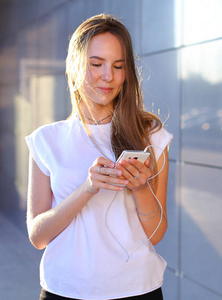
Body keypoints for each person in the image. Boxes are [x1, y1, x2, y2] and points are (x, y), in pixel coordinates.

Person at [25, 14, 172, 300]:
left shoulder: (151, 135)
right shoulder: (46, 140)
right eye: (96, 64)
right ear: (76, 65)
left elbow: (155, 234)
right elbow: (38, 237)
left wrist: (140, 187)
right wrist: (87, 189)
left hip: (138, 289)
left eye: (119, 66)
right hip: (64, 290)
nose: (108, 76)